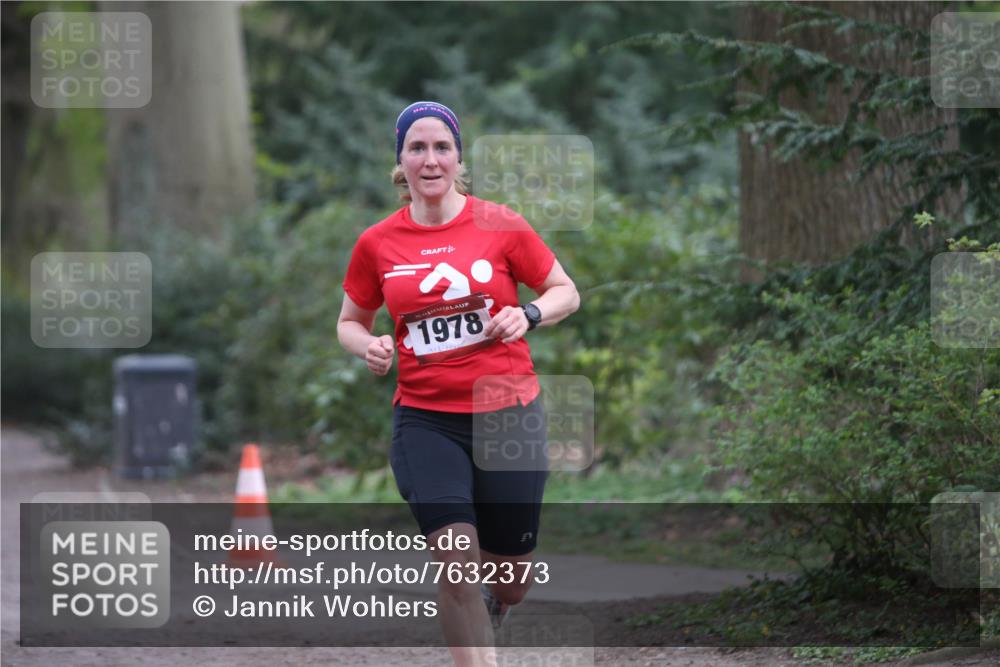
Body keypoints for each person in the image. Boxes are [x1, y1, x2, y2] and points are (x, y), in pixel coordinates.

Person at [337, 101, 580, 667]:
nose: (430, 159)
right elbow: (350, 321)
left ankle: (500, 604)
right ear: (400, 159)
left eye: (441, 147)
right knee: (455, 565)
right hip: (425, 421)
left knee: (511, 578)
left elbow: (565, 291)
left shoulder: (501, 224)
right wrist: (368, 345)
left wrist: (530, 315)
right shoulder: (377, 243)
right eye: (417, 147)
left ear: (458, 157)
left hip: (508, 413)